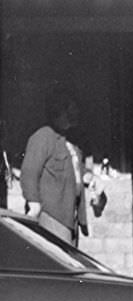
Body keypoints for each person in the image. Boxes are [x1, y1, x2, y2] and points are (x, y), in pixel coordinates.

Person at [20, 86, 102, 245]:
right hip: (52, 217)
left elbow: (75, 168)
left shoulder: (71, 140)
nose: (77, 112)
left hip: (71, 217)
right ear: (60, 110)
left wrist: (89, 176)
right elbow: (29, 173)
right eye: (72, 108)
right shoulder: (43, 137)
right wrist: (33, 204)